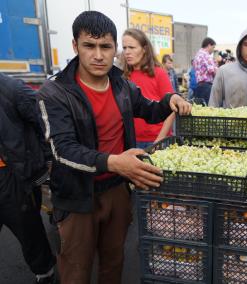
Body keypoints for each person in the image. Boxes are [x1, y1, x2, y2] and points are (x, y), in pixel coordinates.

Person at [37, 11, 191, 284]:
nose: (98, 55)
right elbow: (63, 150)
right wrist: (116, 162)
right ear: (76, 46)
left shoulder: (121, 85)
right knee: (76, 270)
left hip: (117, 191)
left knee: (113, 263)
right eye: (89, 46)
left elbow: (150, 109)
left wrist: (171, 99)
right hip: (76, 197)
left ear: (114, 48)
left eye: (105, 47)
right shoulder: (55, 92)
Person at [0, 73, 56, 284]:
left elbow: (45, 123)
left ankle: (45, 273)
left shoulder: (11, 89)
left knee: (28, 229)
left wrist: (42, 161)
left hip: (11, 177)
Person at [122, 28, 176, 149]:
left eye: (132, 47)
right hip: (132, 141)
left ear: (144, 49)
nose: (127, 52)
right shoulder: (123, 76)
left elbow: (171, 108)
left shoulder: (159, 73)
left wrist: (160, 139)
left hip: (155, 140)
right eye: (125, 48)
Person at [193, 37, 217, 104]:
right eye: (213, 47)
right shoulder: (206, 55)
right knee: (208, 109)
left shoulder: (198, 55)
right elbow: (213, 70)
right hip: (206, 87)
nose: (213, 50)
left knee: (200, 108)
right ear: (209, 45)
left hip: (199, 86)